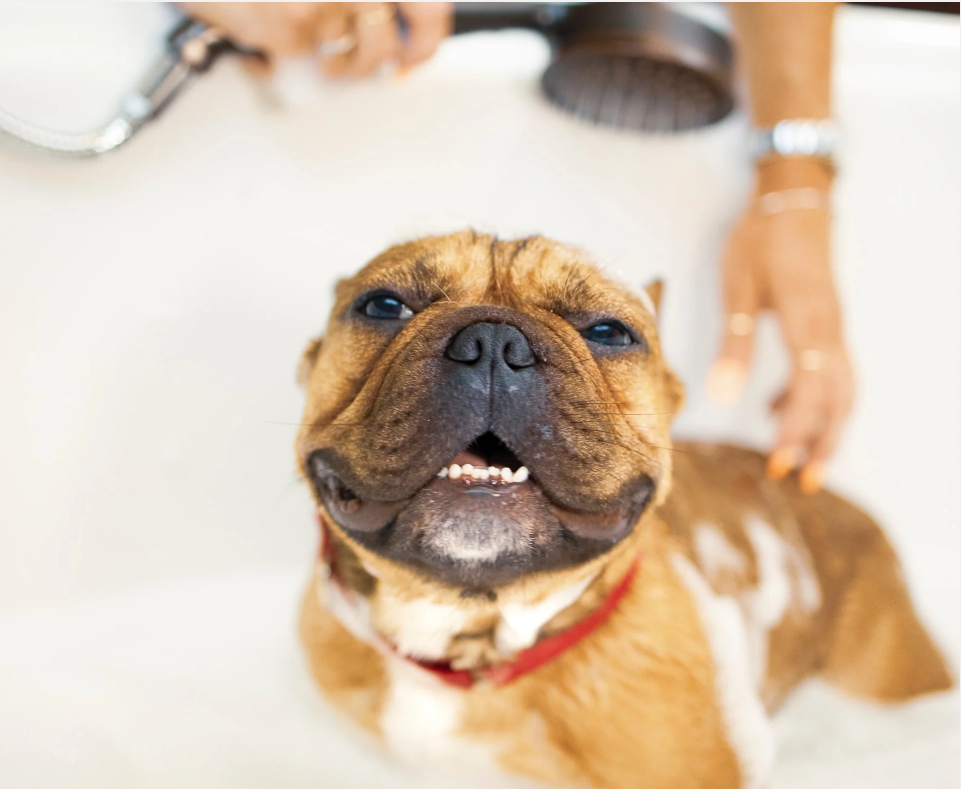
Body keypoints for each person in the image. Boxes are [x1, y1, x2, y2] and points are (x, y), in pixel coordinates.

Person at [181, 2, 854, 495]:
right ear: (309, 360)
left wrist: (793, 181)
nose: (490, 358)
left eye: (605, 332)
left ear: (672, 398)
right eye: (385, 307)